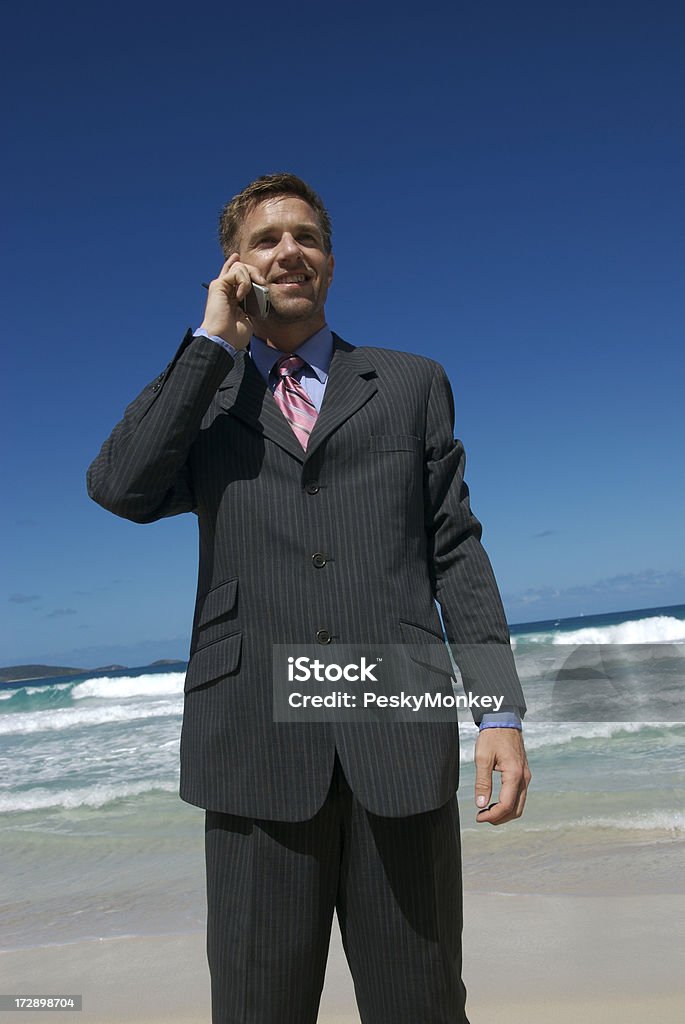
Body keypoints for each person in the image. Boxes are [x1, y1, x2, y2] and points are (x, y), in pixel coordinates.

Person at [87, 172, 531, 1023]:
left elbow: (454, 549)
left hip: (395, 730)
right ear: (235, 266)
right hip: (251, 740)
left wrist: (498, 714)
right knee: (258, 1006)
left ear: (330, 261)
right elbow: (118, 486)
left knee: (423, 1003)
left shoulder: (408, 383)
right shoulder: (205, 395)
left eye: (307, 237)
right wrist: (212, 340)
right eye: (266, 239)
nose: (290, 250)